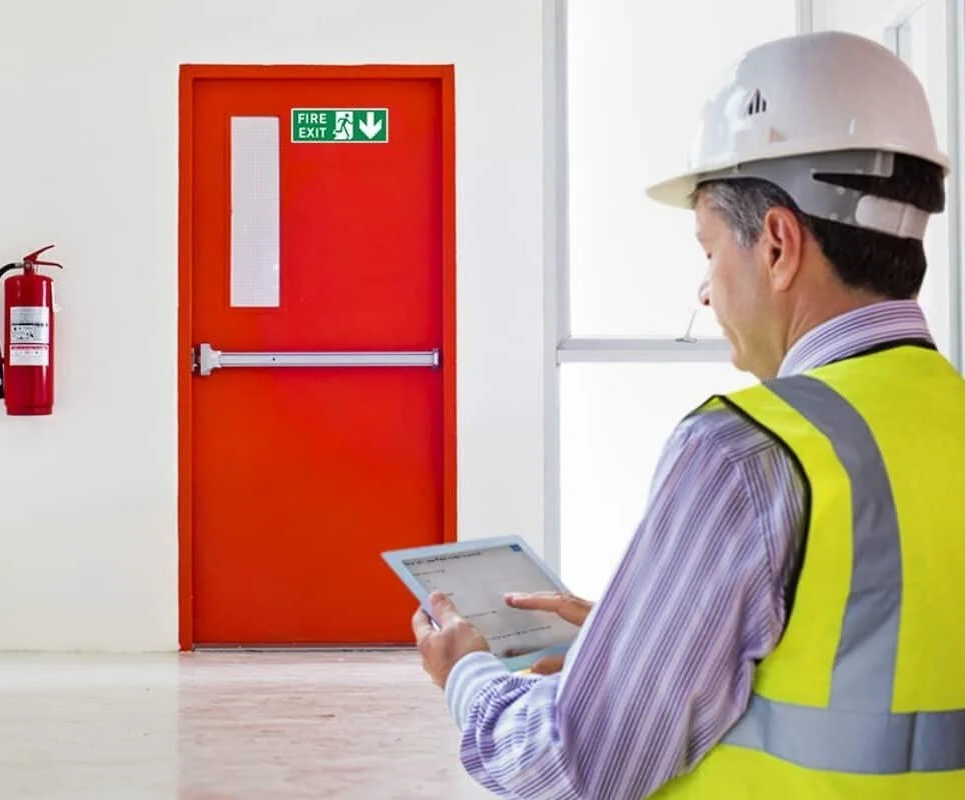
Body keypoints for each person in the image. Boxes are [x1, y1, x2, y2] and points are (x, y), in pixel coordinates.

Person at [411, 29, 965, 799]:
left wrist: (468, 674)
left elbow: (581, 763)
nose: (705, 290)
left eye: (709, 251)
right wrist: (638, 643)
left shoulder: (747, 452)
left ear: (777, 244)